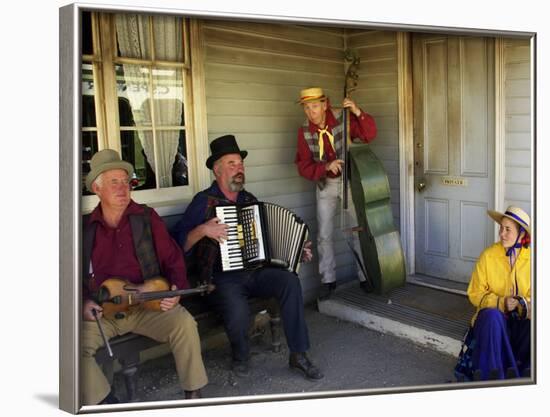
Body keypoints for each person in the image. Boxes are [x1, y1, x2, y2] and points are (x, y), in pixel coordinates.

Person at [171, 134, 323, 380]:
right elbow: (178, 244)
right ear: (217, 170)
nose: (239, 168)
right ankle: (241, 356)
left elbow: (269, 243)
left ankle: (298, 353)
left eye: (241, 164)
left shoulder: (249, 201)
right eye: (232, 164)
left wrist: (296, 250)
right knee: (236, 306)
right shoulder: (203, 202)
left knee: (290, 281)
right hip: (220, 278)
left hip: (255, 271)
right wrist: (203, 230)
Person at [81, 149, 208, 404]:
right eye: (114, 182)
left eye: (126, 181)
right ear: (97, 188)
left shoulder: (146, 218)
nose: (122, 188)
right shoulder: (84, 228)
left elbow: (173, 259)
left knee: (184, 325)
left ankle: (194, 396)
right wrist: (83, 302)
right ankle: (106, 403)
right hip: (103, 313)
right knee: (68, 346)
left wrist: (175, 292)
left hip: (146, 306)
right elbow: (68, 275)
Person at [294, 87, 377, 298]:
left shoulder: (343, 117)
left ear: (325, 105)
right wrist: (325, 167)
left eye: (314, 106)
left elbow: (369, 135)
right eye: (306, 107)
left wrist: (358, 112)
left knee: (357, 229)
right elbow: (303, 166)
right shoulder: (304, 130)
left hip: (350, 180)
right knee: (323, 234)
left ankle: (365, 275)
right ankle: (328, 280)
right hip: (325, 184)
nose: (310, 112)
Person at [463, 206, 531, 380]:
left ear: (522, 234)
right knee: (493, 317)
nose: (502, 234)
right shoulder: (488, 256)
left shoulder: (533, 259)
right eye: (501, 228)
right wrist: (501, 302)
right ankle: (490, 376)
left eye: (508, 229)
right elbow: (474, 293)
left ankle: (528, 373)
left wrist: (523, 303)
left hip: (520, 321)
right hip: (493, 321)